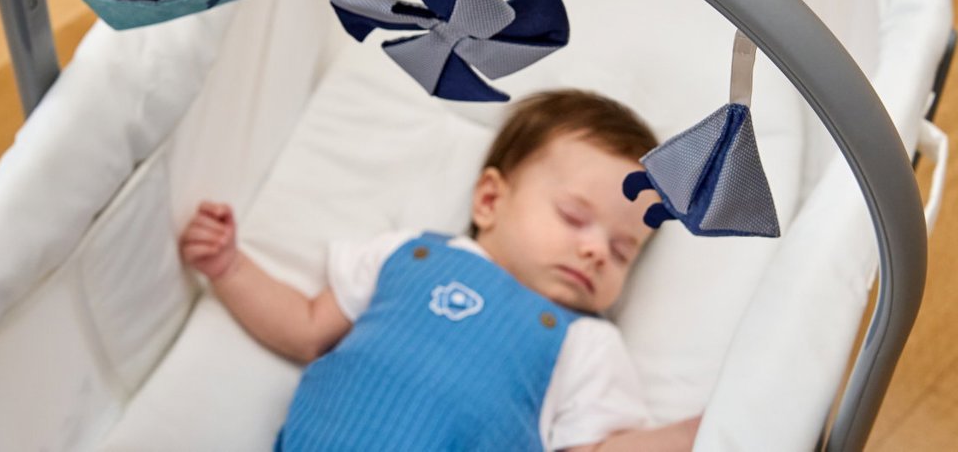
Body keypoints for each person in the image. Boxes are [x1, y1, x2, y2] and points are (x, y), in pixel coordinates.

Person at [179, 89, 701, 451]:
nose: (596, 252)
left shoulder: (584, 342)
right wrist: (231, 267)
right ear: (490, 200)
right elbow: (307, 326)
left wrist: (695, 434)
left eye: (622, 251)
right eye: (573, 217)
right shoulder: (408, 254)